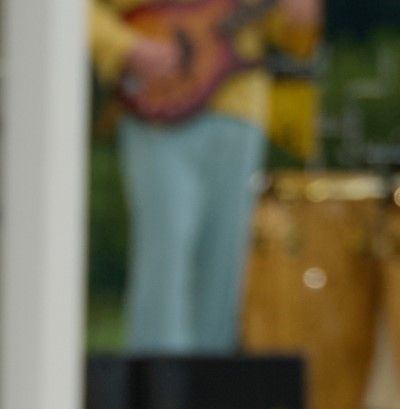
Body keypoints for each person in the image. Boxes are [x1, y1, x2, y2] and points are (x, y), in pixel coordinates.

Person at [88, 0, 322, 352]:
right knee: (165, 255)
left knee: (226, 266)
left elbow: (292, 36)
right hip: (158, 101)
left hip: (239, 106)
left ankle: (210, 379)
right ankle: (159, 380)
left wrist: (300, 18)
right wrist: (126, 47)